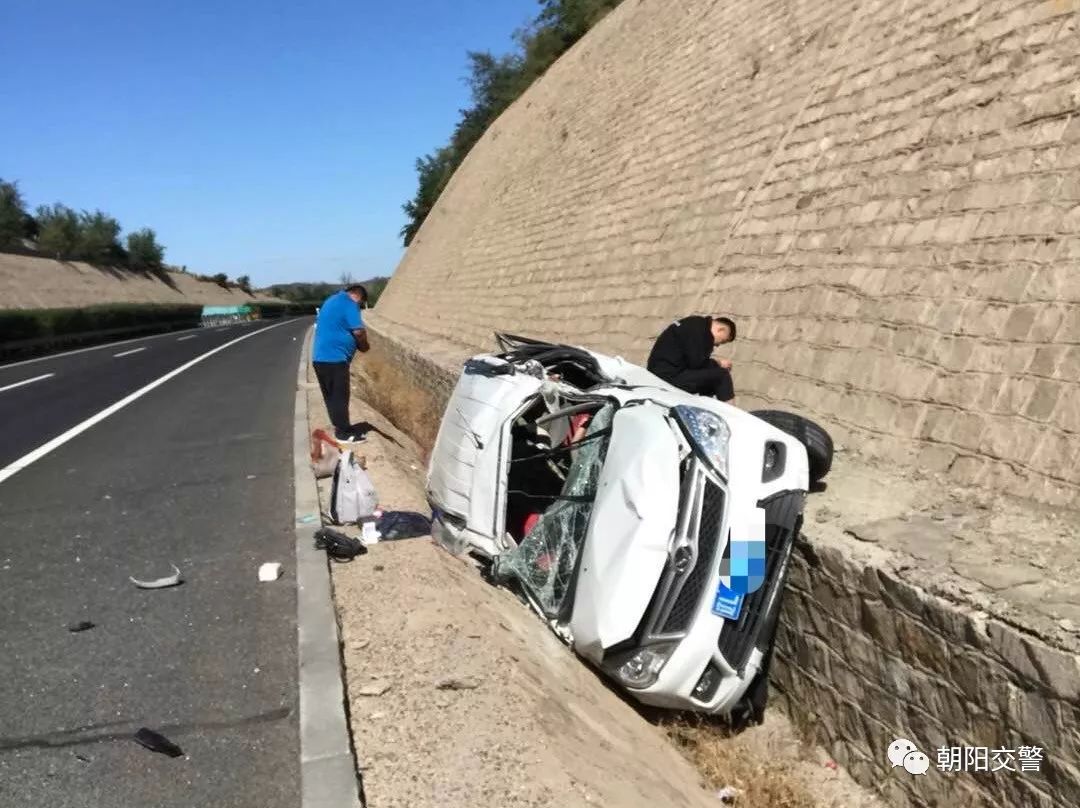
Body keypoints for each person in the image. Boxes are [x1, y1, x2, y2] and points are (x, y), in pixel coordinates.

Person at [312, 284, 370, 441]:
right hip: (334, 359)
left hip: (320, 358)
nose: (358, 307)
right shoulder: (349, 303)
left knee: (331, 396)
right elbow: (358, 331)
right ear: (358, 296)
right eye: (360, 304)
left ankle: (340, 426)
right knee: (340, 397)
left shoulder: (331, 300)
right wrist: (364, 346)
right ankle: (344, 433)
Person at [646, 315, 737, 402]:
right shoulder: (699, 331)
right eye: (722, 341)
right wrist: (719, 363)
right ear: (721, 330)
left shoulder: (696, 324)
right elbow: (697, 364)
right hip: (666, 377)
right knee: (722, 374)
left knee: (711, 377)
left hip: (662, 372)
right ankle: (734, 415)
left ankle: (707, 409)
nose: (717, 345)